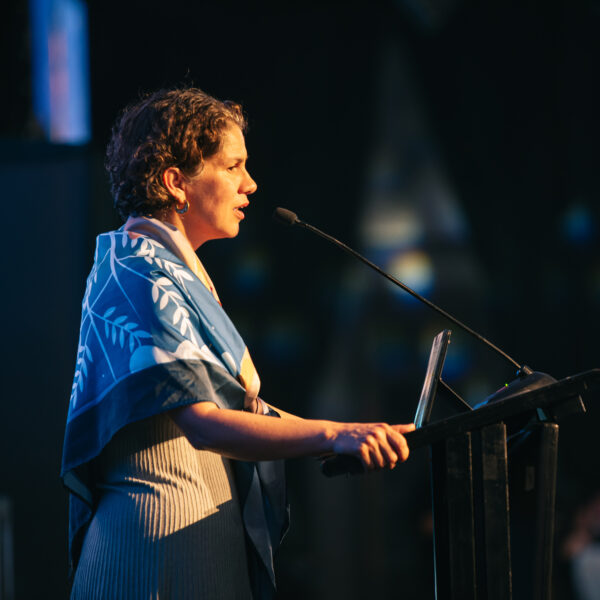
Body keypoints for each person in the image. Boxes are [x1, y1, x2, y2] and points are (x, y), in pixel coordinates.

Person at [61, 87, 414, 600]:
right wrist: (333, 434)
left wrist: (352, 433)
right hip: (155, 550)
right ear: (175, 182)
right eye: (233, 166)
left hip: (192, 541)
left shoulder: (171, 271)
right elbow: (203, 422)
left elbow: (243, 411)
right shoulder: (138, 270)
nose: (250, 183)